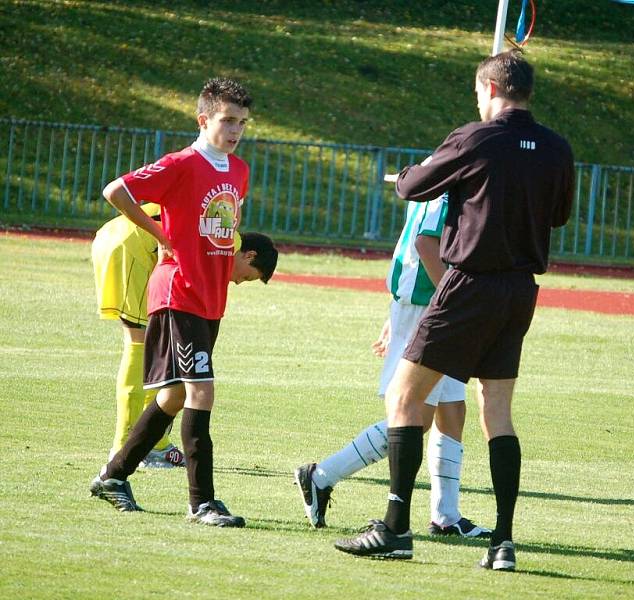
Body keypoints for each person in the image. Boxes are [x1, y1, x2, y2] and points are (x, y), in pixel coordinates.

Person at [334, 51, 575, 570]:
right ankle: (503, 542)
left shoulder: (475, 137)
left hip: (468, 284)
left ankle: (395, 529)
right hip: (519, 291)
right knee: (498, 412)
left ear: (488, 88)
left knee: (403, 397)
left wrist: (414, 171)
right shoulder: (557, 147)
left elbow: (411, 187)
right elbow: (559, 215)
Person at [89, 77, 267, 528]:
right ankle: (201, 502)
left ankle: (113, 476)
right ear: (204, 119)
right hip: (179, 290)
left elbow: (222, 227)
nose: (235, 130)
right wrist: (161, 237)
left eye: (242, 123)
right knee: (200, 390)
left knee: (171, 396)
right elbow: (116, 190)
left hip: (210, 297)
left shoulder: (239, 170)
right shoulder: (182, 164)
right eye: (227, 120)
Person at [294, 193, 490, 539]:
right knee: (418, 415)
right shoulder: (451, 184)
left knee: (452, 409)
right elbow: (426, 243)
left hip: (428, 305)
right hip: (430, 308)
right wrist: (454, 302)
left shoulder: (451, 174)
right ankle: (322, 476)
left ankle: (446, 516)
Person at [92, 205, 278, 469]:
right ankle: (123, 447)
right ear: (248, 255)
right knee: (138, 346)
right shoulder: (227, 242)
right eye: (246, 277)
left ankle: (154, 443)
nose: (237, 282)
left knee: (156, 351)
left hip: (125, 243)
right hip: (130, 249)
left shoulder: (224, 231)